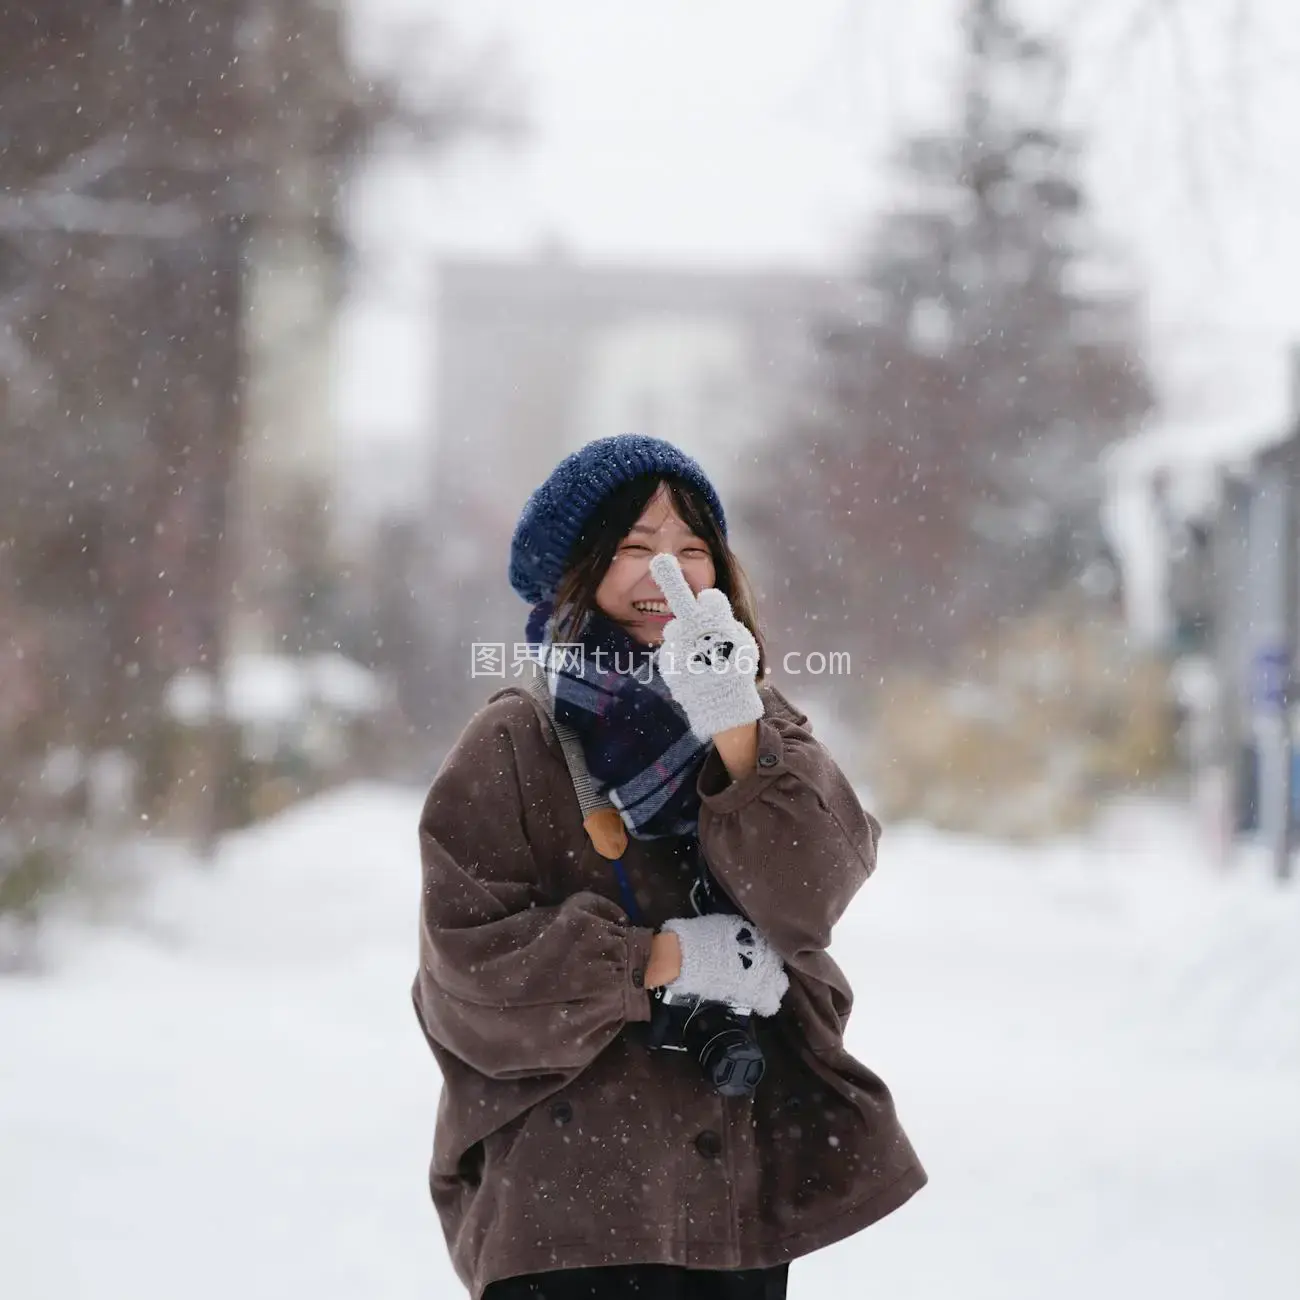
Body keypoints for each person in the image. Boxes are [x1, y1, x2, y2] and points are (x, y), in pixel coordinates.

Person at [412, 435, 926, 1299]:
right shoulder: (515, 739)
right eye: (636, 548)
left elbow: (815, 894)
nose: (671, 573)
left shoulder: (762, 720)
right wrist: (662, 961)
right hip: (565, 1209)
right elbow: (464, 979)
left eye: (693, 550)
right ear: (578, 567)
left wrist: (737, 731)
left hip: (734, 1196)